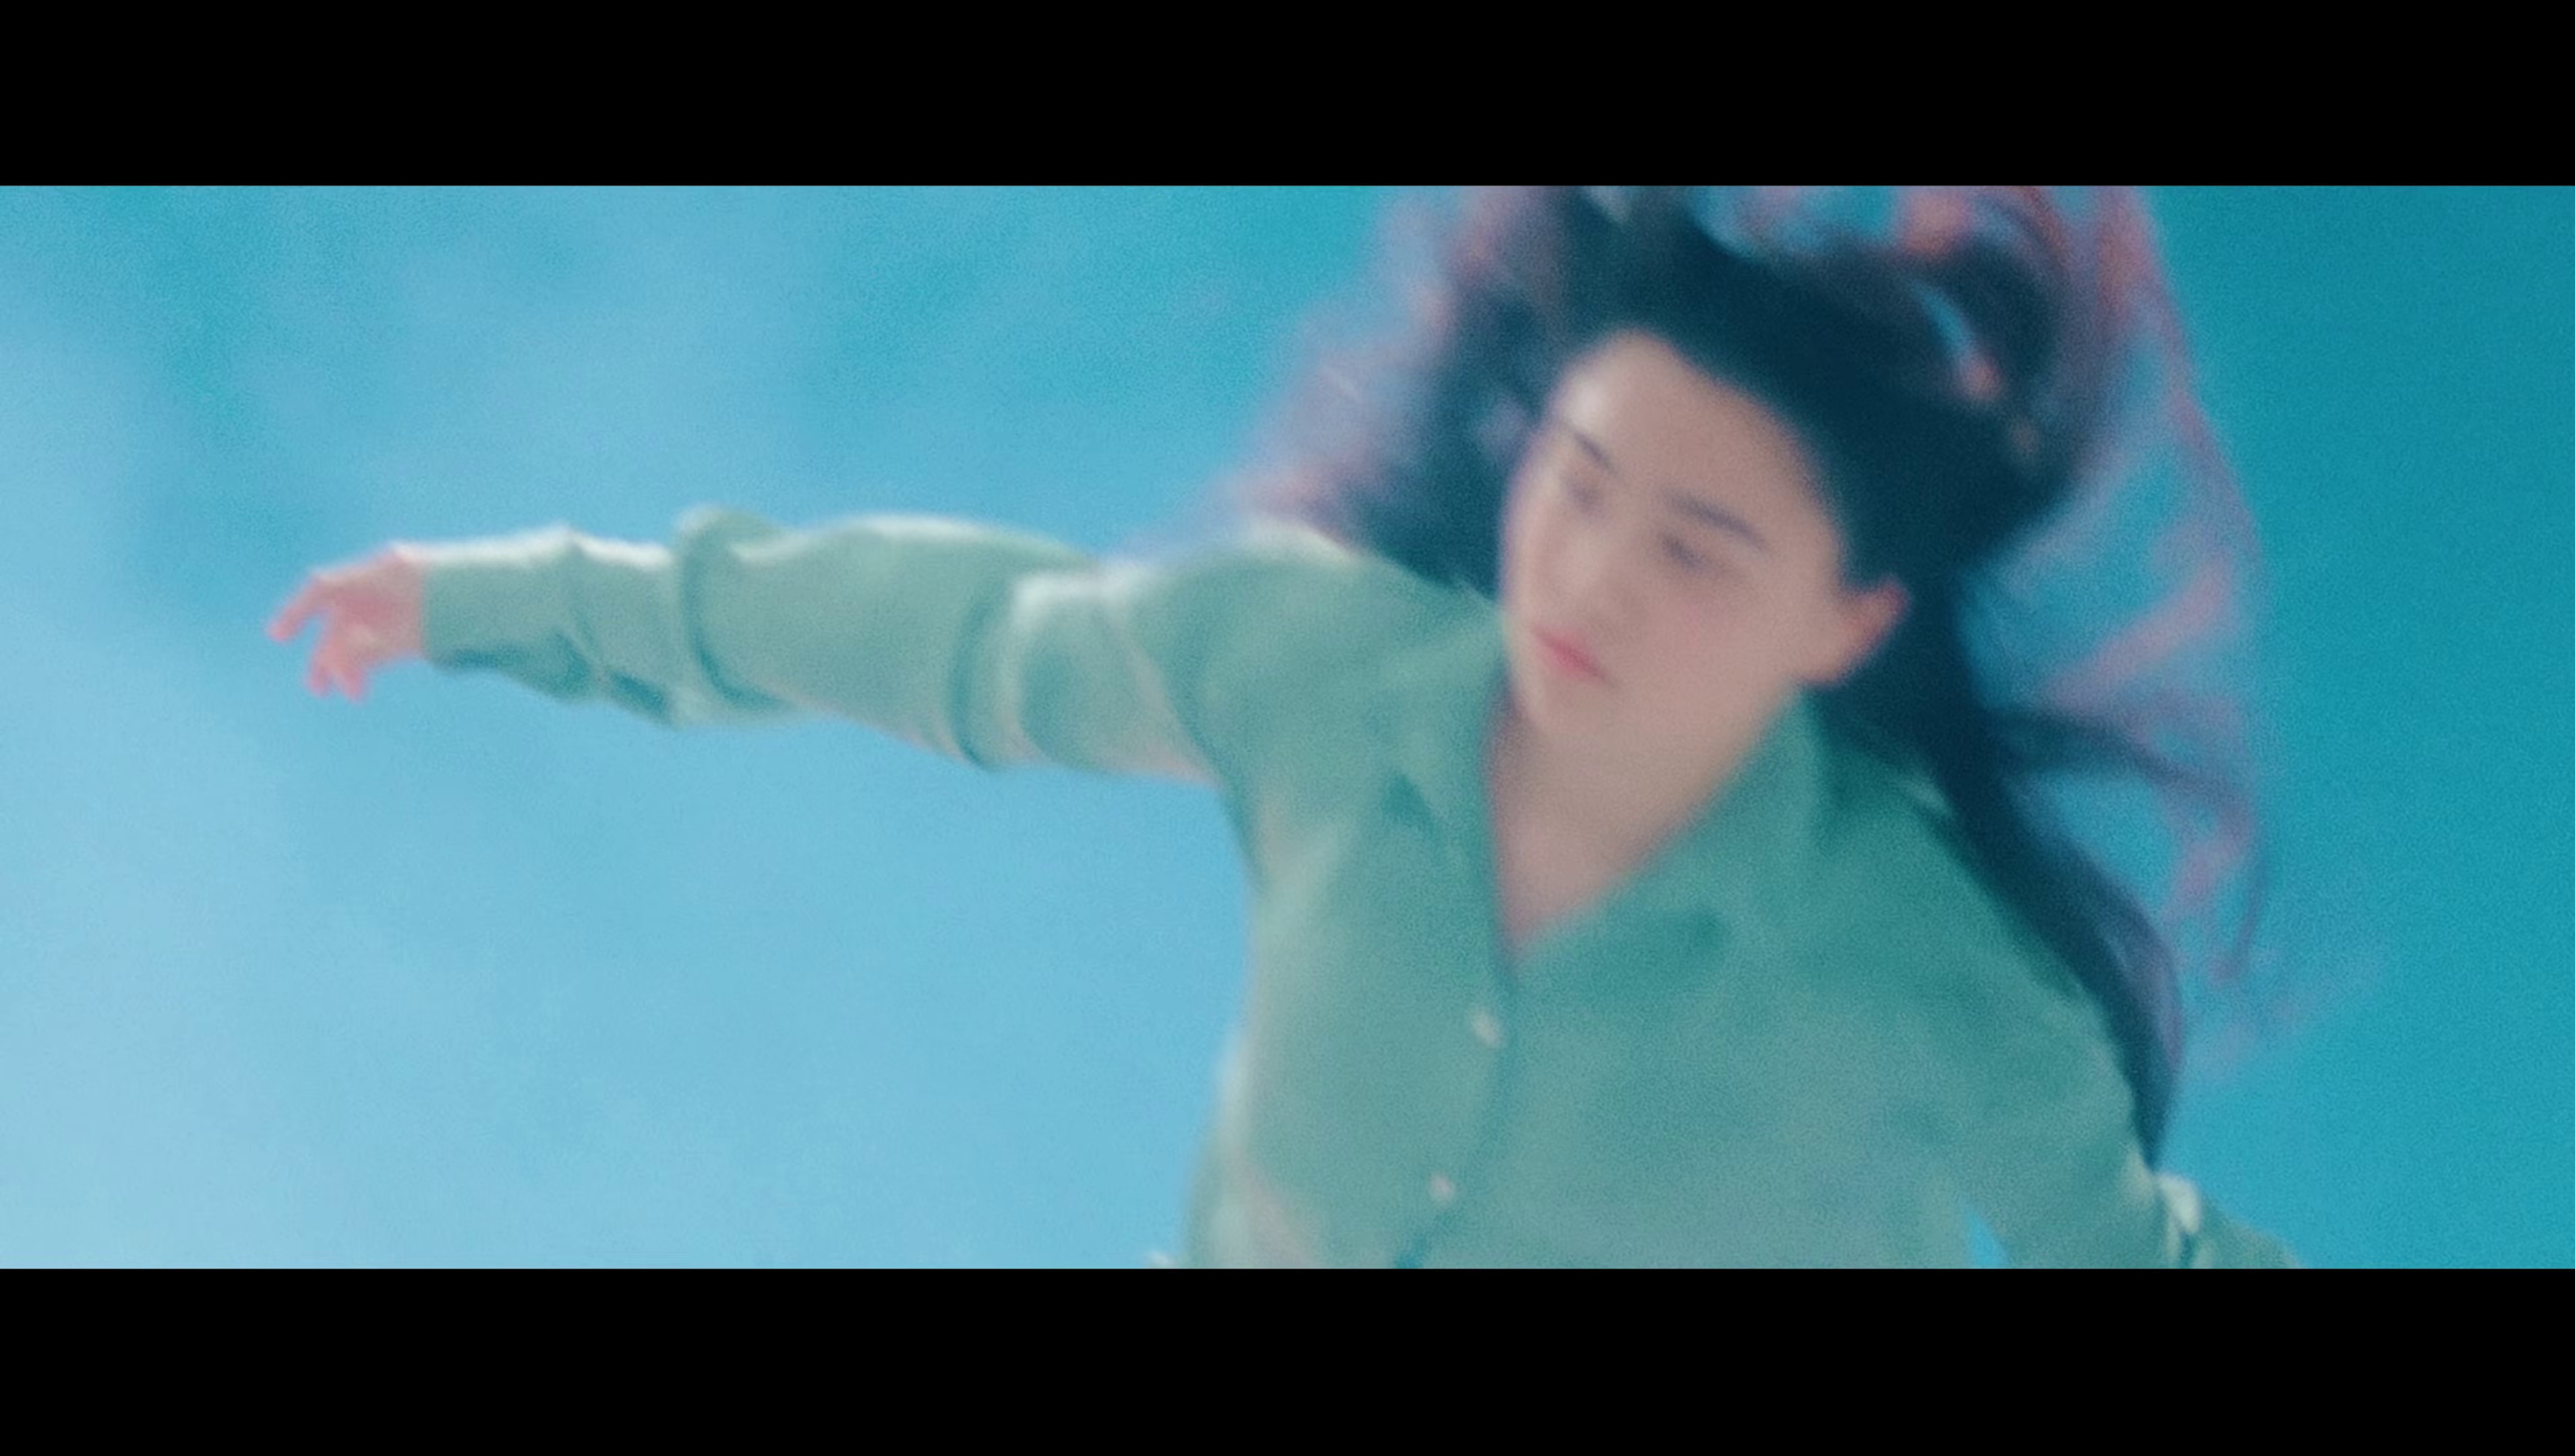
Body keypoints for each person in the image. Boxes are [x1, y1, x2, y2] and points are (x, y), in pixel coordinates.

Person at [267, 187, 2298, 1267]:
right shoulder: (1324, 671)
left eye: (1696, 551)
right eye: (1579, 483)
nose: (1588, 579)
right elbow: (959, 639)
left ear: (1845, 626)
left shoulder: (1928, 973)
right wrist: (524, 598)